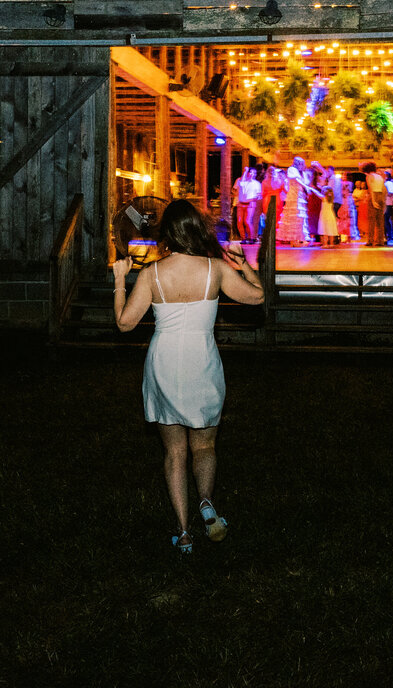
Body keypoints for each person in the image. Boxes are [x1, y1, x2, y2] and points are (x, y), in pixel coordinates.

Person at [113, 200, 264, 553]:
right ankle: (207, 502)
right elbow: (257, 298)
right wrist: (246, 266)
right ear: (197, 229)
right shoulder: (215, 269)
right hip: (202, 362)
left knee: (175, 452)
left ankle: (183, 533)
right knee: (205, 445)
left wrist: (121, 280)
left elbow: (124, 323)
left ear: (166, 233)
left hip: (164, 364)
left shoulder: (152, 274)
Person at [278, 156, 312, 247]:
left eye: (302, 164)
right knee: (294, 217)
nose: (301, 165)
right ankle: (293, 240)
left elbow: (306, 182)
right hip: (294, 196)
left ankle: (300, 239)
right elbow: (296, 180)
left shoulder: (302, 173)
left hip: (300, 196)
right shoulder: (292, 169)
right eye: (300, 164)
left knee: (300, 218)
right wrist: (305, 186)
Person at [235, 165, 261, 243]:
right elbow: (241, 184)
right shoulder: (241, 181)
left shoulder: (257, 183)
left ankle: (251, 237)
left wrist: (255, 198)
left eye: (255, 173)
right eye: (251, 172)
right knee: (239, 221)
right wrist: (245, 171)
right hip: (241, 203)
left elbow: (259, 195)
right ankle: (243, 238)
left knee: (247, 221)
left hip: (250, 204)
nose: (253, 174)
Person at [363, 162, 386, 246]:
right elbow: (384, 189)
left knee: (371, 220)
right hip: (380, 195)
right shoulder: (380, 177)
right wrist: (383, 200)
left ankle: (370, 240)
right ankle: (380, 241)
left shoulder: (369, 176)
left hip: (374, 196)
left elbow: (371, 189)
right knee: (380, 220)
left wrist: (373, 201)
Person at [383, 170, 393, 244]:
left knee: (387, 220)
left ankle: (390, 236)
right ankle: (387, 236)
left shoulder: (390, 182)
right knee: (385, 220)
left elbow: (391, 193)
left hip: (388, 203)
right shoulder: (387, 182)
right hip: (386, 203)